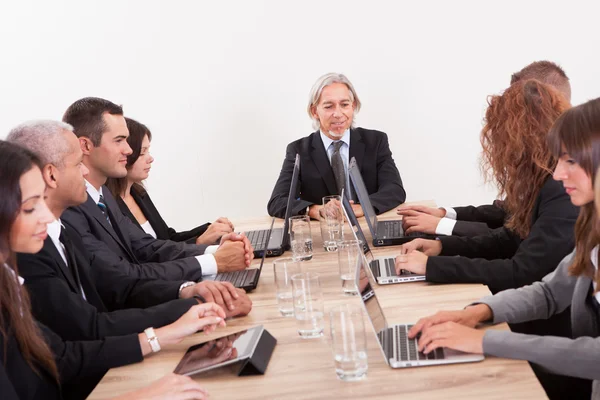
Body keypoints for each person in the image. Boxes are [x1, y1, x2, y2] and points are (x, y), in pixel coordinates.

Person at [406, 97, 600, 399]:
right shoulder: (592, 229)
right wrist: (477, 313)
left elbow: (595, 356)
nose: (559, 173)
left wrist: (484, 342)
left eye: (570, 161)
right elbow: (549, 292)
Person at [0, 140, 222, 400]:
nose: (47, 217)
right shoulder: (30, 259)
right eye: (30, 206)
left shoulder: (9, 278)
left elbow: (60, 355)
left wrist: (164, 335)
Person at [6, 120, 251, 350]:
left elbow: (123, 283)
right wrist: (191, 309)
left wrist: (186, 290)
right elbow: (90, 326)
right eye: (78, 162)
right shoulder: (32, 249)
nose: (84, 171)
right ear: (51, 175)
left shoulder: (66, 228)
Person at [59, 97, 253, 281]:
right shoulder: (69, 208)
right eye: (119, 140)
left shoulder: (104, 195)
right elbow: (119, 275)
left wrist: (214, 251)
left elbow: (146, 246)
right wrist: (214, 261)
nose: (128, 150)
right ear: (85, 145)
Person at [398, 60, 572, 237]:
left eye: (519, 106)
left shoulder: (564, 176)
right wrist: (444, 215)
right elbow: (505, 212)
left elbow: (514, 241)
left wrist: (441, 226)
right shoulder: (543, 159)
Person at [267, 72, 406, 220]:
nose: (338, 114)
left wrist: (361, 208)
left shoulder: (376, 141)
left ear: (353, 107)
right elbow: (277, 202)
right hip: (326, 234)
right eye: (329, 106)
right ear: (315, 111)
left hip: (367, 227)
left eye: (345, 105)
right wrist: (316, 210)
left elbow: (395, 190)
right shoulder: (298, 150)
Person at [106, 117, 235, 245]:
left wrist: (209, 230)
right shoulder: (109, 206)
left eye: (148, 151)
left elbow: (167, 238)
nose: (150, 159)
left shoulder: (139, 194)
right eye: (142, 153)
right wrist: (198, 242)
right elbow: (149, 256)